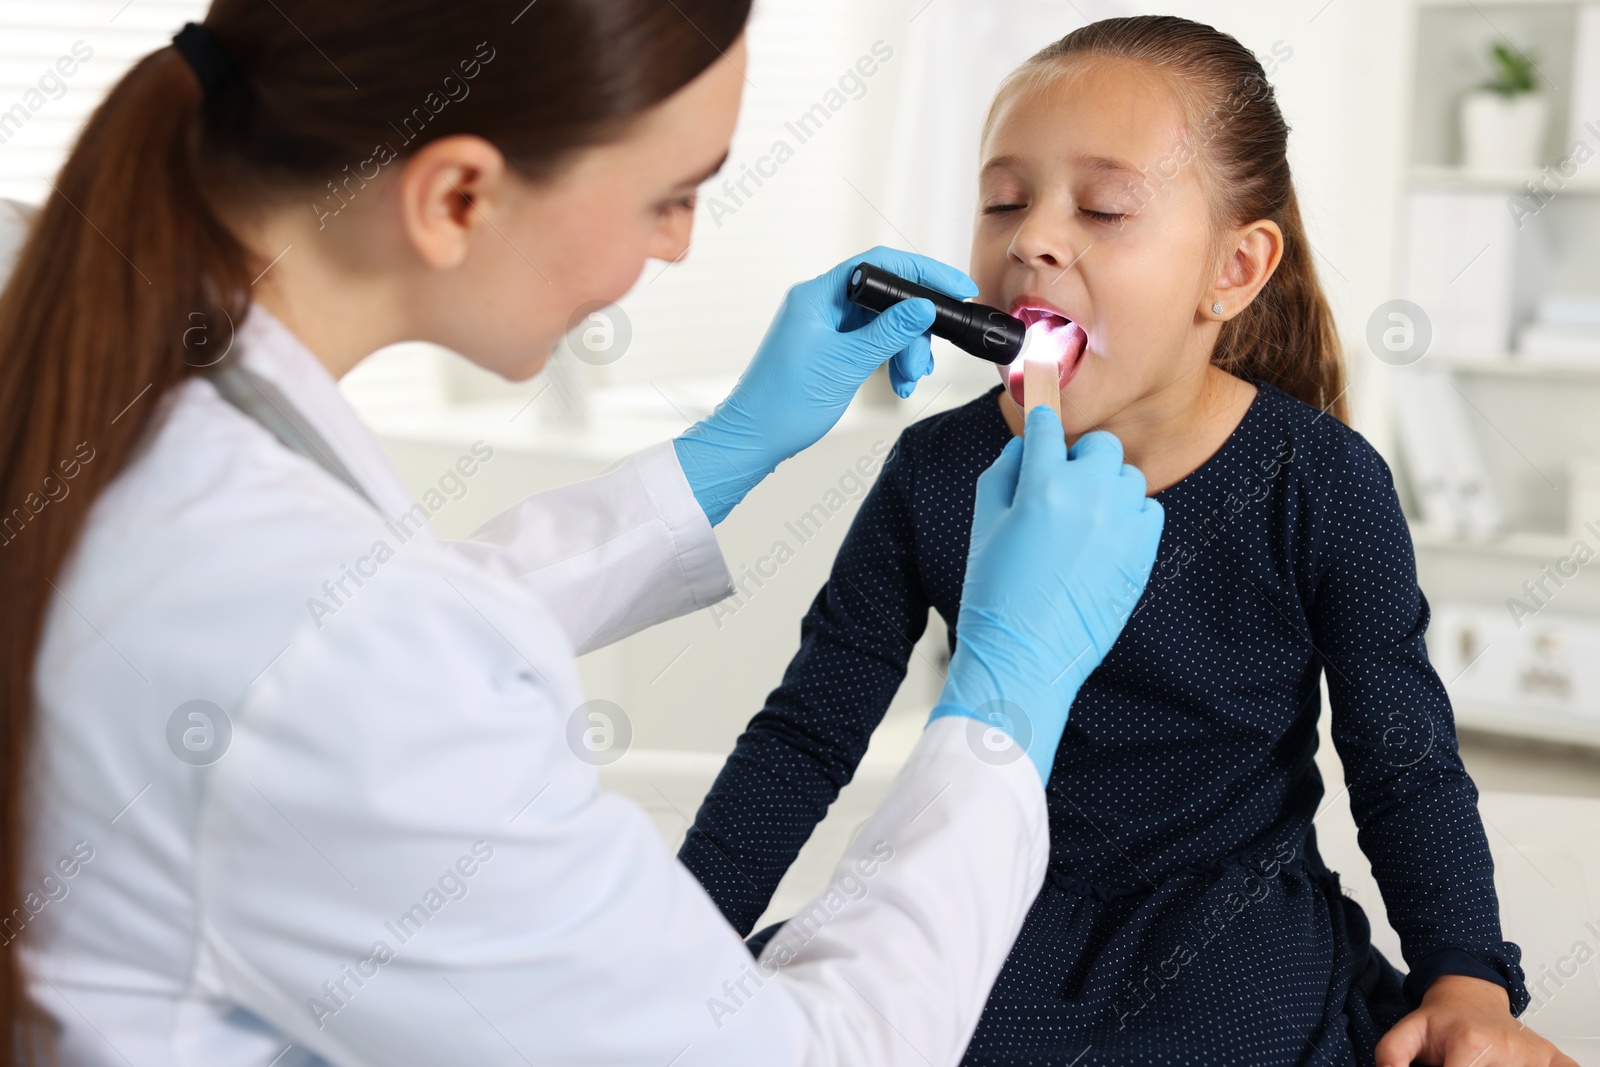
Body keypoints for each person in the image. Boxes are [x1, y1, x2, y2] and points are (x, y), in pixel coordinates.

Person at [0, 3, 1166, 1065]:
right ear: (458, 195)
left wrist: (723, 456)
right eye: (671, 194)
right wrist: (1003, 708)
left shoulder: (137, 418)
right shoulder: (327, 657)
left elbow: (380, 620)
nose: (681, 247)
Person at [678, 16, 1577, 1067]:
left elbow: (1404, 758)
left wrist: (1466, 978)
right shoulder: (931, 473)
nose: (1030, 239)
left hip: (1228, 912)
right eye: (1002, 201)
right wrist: (675, 945)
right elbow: (807, 734)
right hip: (996, 885)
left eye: (1103, 208)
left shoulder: (1322, 480)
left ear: (1232, 270)